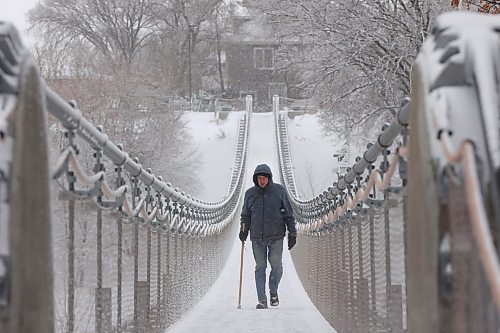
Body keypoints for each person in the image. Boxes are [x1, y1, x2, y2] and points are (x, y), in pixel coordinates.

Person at [239, 163, 297, 309]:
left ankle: (273, 289)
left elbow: (289, 214)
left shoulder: (279, 191)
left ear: (269, 178)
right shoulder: (250, 194)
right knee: (260, 267)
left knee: (277, 267)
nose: (262, 180)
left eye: (264, 178)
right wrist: (243, 230)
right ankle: (262, 300)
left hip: (276, 236)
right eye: (260, 178)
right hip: (257, 238)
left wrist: (292, 233)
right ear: (256, 179)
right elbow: (245, 215)